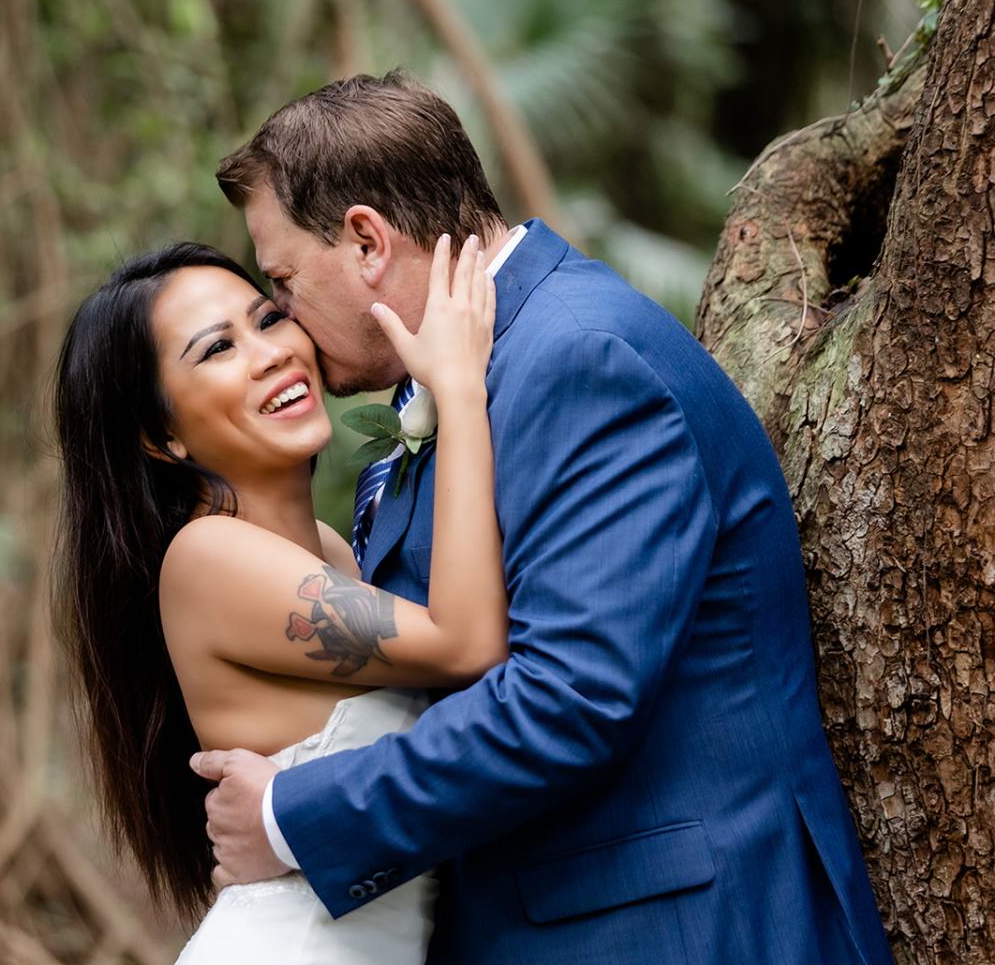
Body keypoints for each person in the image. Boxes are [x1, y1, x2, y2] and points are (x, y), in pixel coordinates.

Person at [191, 70, 893, 964]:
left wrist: (290, 817)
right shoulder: (467, 376)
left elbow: (570, 697)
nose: (285, 319)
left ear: (366, 240)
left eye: (284, 278)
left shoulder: (581, 361)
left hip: (678, 930)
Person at [53, 233, 508, 963]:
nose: (270, 353)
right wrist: (456, 390)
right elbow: (463, 643)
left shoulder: (327, 549)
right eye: (216, 349)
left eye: (267, 319)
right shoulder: (207, 557)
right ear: (160, 436)